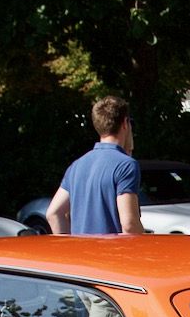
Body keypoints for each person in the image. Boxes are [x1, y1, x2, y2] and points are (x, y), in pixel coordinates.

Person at [46, 96, 146, 235]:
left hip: (82, 254)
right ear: (124, 123)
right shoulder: (126, 165)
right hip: (113, 254)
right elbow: (129, 224)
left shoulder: (76, 166)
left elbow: (54, 213)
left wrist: (67, 246)